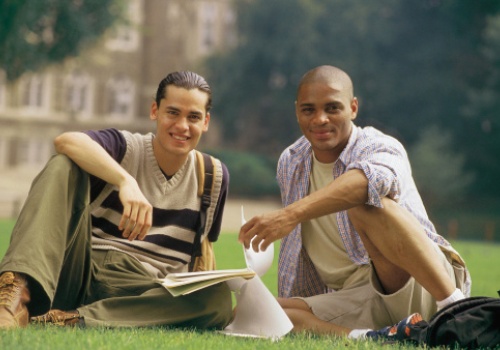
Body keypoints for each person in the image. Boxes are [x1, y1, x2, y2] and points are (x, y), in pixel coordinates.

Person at [239, 65, 470, 340]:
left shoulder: (379, 145)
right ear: (297, 111)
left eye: (332, 108)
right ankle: (375, 337)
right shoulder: (291, 161)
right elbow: (299, 250)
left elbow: (367, 183)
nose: (320, 119)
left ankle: (457, 311)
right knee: (256, 313)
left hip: (422, 283)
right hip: (359, 296)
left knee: (366, 203)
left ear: (353, 108)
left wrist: (289, 215)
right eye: (309, 109)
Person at [0, 71, 232, 329]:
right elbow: (66, 141)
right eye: (173, 113)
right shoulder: (125, 147)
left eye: (194, 117)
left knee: (218, 298)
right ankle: (13, 298)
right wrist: (125, 181)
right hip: (83, 270)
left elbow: (203, 254)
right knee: (62, 165)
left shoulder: (213, 176)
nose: (182, 126)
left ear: (206, 122)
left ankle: (73, 319)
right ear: (155, 111)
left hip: (143, 289)